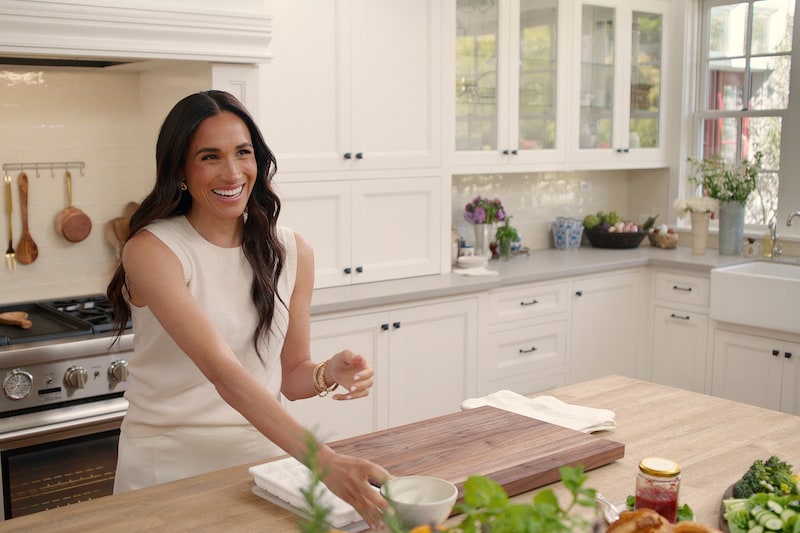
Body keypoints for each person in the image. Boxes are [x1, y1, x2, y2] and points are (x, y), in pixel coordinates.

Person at [106, 90, 390, 527]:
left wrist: (328, 373)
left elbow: (290, 377)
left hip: (262, 463)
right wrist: (326, 462)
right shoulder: (153, 251)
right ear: (180, 169)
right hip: (167, 466)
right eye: (210, 157)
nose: (233, 171)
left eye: (243, 153)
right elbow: (225, 375)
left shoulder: (292, 251)